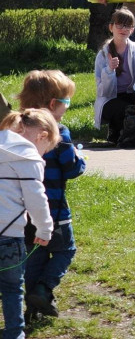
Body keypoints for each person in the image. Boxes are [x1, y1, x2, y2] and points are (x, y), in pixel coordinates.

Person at [17, 71, 85, 321]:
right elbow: (72, 168)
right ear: (52, 105)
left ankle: (33, 306)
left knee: (34, 255)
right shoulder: (60, 132)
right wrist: (79, 157)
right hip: (54, 211)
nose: (67, 107)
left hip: (24, 213)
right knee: (66, 250)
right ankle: (44, 289)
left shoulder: (17, 131)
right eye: (66, 102)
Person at [0, 109, 57, 339]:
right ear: (41, 136)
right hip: (9, 237)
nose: (43, 155)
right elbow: (36, 199)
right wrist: (44, 228)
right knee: (12, 288)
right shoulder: (28, 157)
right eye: (46, 149)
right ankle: (14, 334)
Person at [93, 8, 135, 144]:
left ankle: (132, 134)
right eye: (119, 24)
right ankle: (116, 131)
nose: (123, 29)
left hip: (133, 93)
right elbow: (103, 90)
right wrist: (109, 70)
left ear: (132, 30)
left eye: (127, 25)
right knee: (124, 109)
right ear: (111, 27)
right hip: (112, 97)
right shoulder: (103, 54)